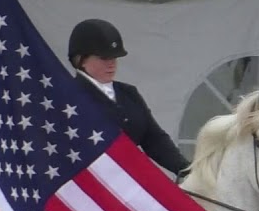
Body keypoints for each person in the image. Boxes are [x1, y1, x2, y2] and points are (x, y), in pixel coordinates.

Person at [66, 18, 191, 178]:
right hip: (91, 186)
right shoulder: (70, 97)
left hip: (130, 182)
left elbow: (153, 138)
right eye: (104, 58)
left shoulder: (128, 93)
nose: (111, 64)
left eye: (114, 58)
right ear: (81, 60)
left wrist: (184, 168)